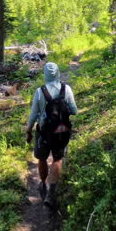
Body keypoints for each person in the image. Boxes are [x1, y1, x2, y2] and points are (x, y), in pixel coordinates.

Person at [26, 62, 77, 208]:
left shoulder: (39, 92)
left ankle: (43, 184)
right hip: (61, 131)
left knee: (42, 158)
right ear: (58, 73)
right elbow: (74, 111)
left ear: (45, 75)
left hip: (44, 132)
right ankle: (51, 192)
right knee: (57, 159)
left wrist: (28, 131)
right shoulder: (66, 89)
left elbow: (33, 114)